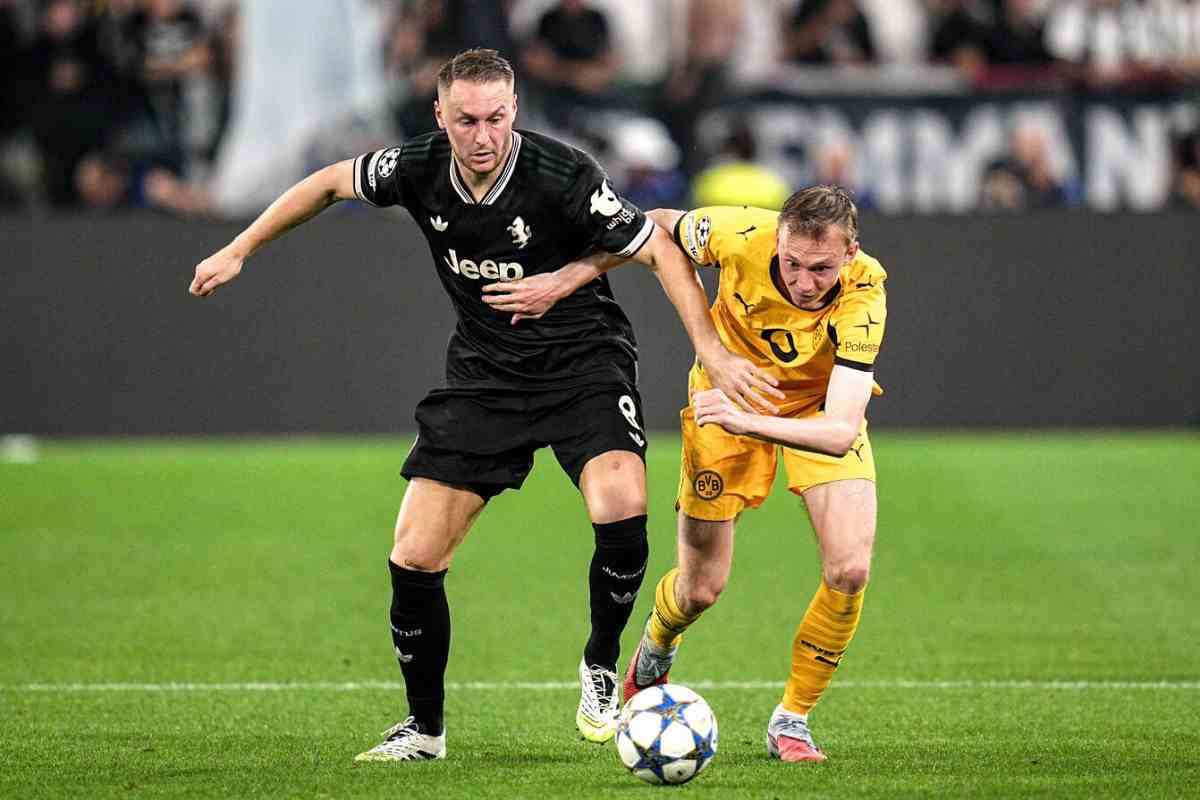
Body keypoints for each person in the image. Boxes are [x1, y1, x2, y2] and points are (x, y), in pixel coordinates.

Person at [187, 48, 776, 762]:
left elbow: (656, 247)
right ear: (441, 116)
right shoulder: (416, 166)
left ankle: (599, 663)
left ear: (514, 112)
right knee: (413, 556)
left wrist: (708, 352)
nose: (484, 135)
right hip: (486, 376)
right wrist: (240, 248)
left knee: (619, 502)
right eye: (466, 119)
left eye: (497, 117)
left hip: (582, 363)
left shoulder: (563, 176)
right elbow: (328, 183)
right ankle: (425, 731)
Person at [486, 186, 886, 764]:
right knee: (701, 587)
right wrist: (569, 276)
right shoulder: (738, 233)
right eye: (792, 263)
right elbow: (650, 226)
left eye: (820, 269)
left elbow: (841, 431)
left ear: (850, 254)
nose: (802, 281)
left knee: (850, 569)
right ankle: (657, 642)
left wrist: (746, 420)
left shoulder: (865, 292)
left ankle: (792, 719)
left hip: (807, 414)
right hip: (722, 404)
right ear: (778, 239)